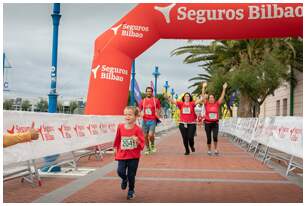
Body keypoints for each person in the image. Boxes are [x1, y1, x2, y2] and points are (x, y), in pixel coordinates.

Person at [113, 106, 145, 200]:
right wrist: (115, 147)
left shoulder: (138, 129)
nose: (127, 116)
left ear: (135, 116)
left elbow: (142, 143)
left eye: (130, 114)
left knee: (131, 175)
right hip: (122, 154)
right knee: (120, 171)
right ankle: (124, 178)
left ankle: (131, 190)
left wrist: (138, 140)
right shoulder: (120, 127)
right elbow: (118, 138)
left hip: (133, 156)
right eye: (125, 114)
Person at [164, 83, 205, 155]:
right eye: (186, 96)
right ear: (184, 97)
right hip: (182, 123)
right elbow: (172, 101)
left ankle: (192, 146)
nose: (187, 97)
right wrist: (167, 96)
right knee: (184, 138)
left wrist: (203, 88)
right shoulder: (181, 104)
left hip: (192, 123)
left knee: (190, 137)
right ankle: (187, 150)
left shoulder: (192, 103)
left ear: (190, 97)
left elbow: (202, 99)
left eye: (188, 96)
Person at [202, 82, 228, 155]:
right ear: (208, 99)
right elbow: (203, 96)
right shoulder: (206, 103)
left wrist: (224, 89)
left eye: (212, 97)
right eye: (210, 98)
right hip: (207, 123)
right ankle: (209, 150)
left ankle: (216, 149)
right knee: (209, 138)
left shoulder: (217, 104)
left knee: (215, 136)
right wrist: (203, 88)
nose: (211, 99)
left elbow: (222, 97)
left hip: (215, 123)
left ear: (214, 99)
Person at [139, 87, 161, 155]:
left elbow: (159, 108)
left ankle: (152, 144)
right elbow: (139, 109)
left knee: (150, 135)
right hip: (145, 120)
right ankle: (148, 148)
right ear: (146, 92)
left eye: (150, 91)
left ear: (152, 92)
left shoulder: (156, 100)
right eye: (147, 91)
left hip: (152, 120)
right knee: (145, 136)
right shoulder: (143, 101)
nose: (149, 92)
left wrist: (158, 114)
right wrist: (140, 114)